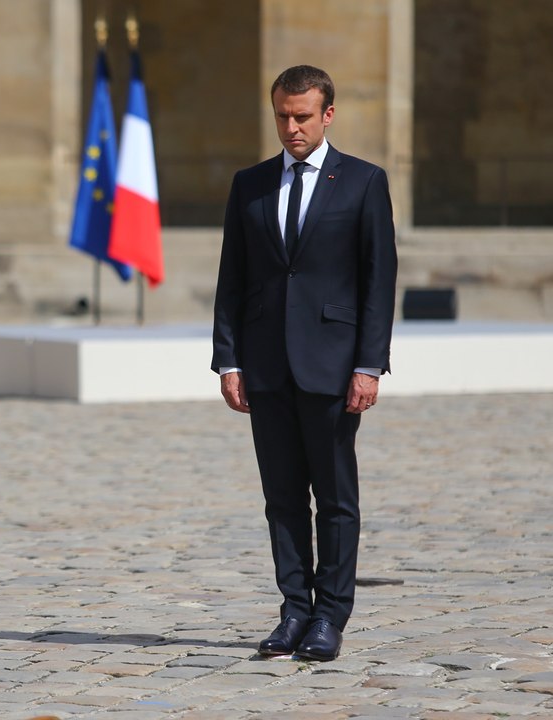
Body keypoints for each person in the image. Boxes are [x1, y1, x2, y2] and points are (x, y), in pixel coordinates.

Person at [210, 65, 397, 661]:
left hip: (334, 366)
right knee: (283, 498)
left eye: (303, 116)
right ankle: (294, 610)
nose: (292, 127)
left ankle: (329, 617)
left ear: (327, 115)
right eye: (282, 117)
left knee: (336, 499)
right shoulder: (250, 184)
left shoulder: (364, 182)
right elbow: (232, 277)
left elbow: (378, 281)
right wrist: (228, 360)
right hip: (265, 366)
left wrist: (369, 365)